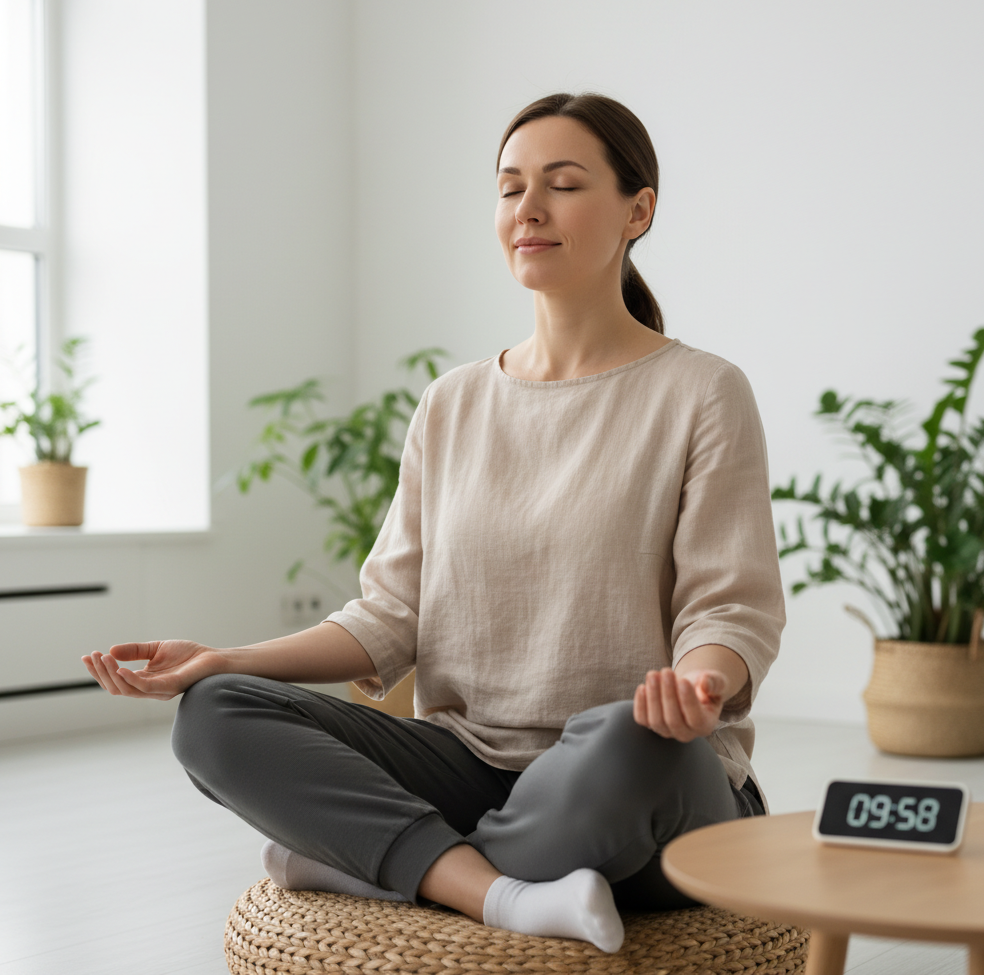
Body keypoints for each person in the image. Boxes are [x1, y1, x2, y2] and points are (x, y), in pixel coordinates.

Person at [83, 92, 784, 955]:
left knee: (631, 740)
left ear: (639, 210)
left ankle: (364, 861)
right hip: (469, 766)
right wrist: (224, 657)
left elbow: (730, 608)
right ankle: (499, 892)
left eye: (562, 185)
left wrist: (699, 688)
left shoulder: (702, 391)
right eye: (509, 188)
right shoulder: (452, 403)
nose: (527, 210)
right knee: (214, 713)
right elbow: (388, 616)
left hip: (637, 776)